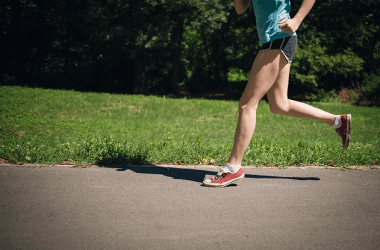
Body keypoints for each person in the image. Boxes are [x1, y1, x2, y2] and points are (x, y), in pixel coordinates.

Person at [203, 0, 352, 187]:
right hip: (273, 40)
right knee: (279, 105)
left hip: (279, 38)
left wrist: (297, 20)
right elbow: (240, 8)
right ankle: (338, 121)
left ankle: (233, 167)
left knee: (247, 104)